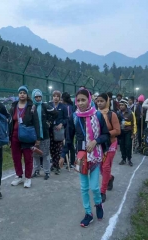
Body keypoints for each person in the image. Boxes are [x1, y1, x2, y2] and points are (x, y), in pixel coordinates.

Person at [60, 88, 110, 228]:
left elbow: (106, 135)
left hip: (95, 156)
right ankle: (88, 213)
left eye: (83, 100)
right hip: (81, 156)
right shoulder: (74, 117)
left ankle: (98, 203)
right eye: (78, 100)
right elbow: (68, 138)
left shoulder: (98, 116)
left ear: (89, 100)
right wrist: (63, 155)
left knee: (94, 187)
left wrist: (96, 141)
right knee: (83, 187)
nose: (81, 103)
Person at [9, 85, 40, 188]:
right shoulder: (14, 106)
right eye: (20, 93)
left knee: (28, 157)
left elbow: (36, 122)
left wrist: (38, 138)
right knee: (16, 157)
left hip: (27, 136)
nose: (22, 94)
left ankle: (28, 178)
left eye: (24, 93)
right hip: (14, 136)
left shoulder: (31, 106)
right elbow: (10, 122)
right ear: (18, 95)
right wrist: (9, 136)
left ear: (27, 95)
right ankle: (18, 176)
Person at [96, 93, 121, 203]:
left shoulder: (112, 115)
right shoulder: (95, 114)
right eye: (98, 101)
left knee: (106, 166)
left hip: (111, 143)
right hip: (100, 145)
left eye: (102, 101)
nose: (100, 103)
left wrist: (105, 134)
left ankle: (103, 191)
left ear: (107, 102)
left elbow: (117, 130)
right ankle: (110, 178)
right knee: (101, 168)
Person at [31, 89, 57, 180]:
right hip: (34, 136)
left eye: (39, 97)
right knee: (35, 154)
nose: (38, 98)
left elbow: (55, 113)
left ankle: (47, 172)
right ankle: (37, 170)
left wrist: (49, 122)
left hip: (45, 135)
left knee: (45, 154)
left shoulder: (45, 106)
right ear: (33, 97)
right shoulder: (31, 107)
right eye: (36, 97)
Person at [48, 90, 68, 175]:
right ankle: (53, 163)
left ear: (60, 98)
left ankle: (57, 166)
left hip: (59, 130)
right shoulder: (49, 105)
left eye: (57, 96)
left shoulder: (63, 107)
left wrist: (61, 124)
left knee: (58, 148)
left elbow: (66, 119)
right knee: (51, 148)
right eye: (54, 96)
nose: (55, 98)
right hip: (51, 129)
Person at [118, 99, 137, 166]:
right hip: (121, 132)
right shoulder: (118, 113)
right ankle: (123, 159)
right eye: (120, 105)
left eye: (122, 105)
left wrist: (133, 133)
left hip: (128, 132)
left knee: (128, 146)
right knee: (122, 146)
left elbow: (134, 124)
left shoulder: (131, 113)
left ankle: (129, 159)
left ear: (125, 105)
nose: (121, 106)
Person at [61, 92, 75, 169]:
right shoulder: (71, 106)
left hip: (68, 127)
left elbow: (68, 118)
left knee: (69, 144)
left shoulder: (66, 107)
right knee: (68, 144)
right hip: (68, 127)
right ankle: (68, 161)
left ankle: (71, 162)